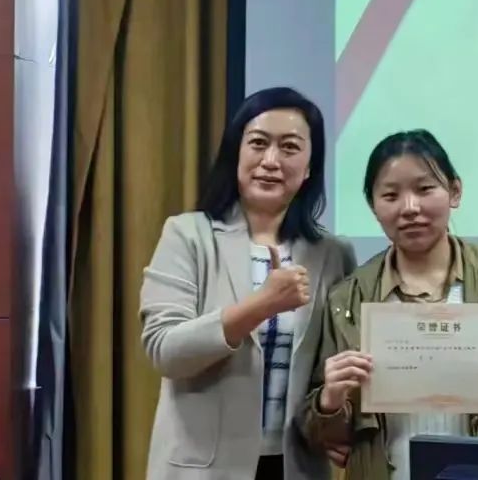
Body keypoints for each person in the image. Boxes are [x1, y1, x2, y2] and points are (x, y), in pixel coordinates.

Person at [300, 129, 478, 479]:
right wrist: (329, 402)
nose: (410, 208)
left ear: (454, 191)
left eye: (424, 189)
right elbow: (319, 432)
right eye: (390, 195)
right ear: (373, 206)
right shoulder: (349, 299)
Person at [140, 87, 356, 480]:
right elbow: (165, 351)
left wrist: (334, 422)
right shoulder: (188, 235)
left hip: (295, 466)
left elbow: (329, 370)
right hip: (202, 470)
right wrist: (261, 305)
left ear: (310, 167)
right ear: (236, 154)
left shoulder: (332, 254)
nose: (271, 161)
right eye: (258, 143)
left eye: (290, 147)